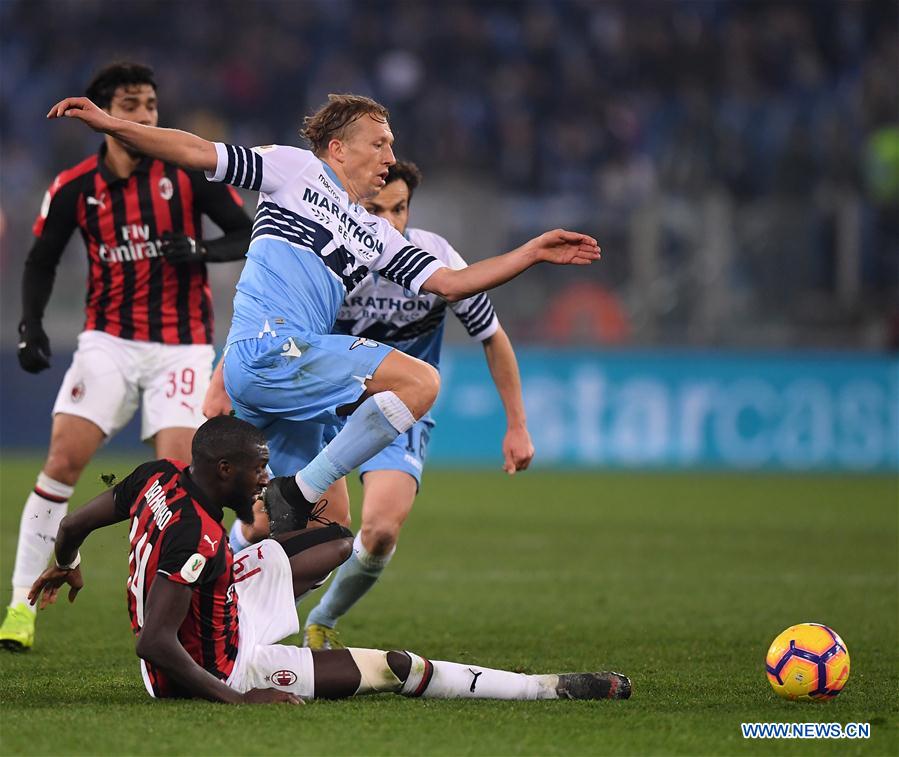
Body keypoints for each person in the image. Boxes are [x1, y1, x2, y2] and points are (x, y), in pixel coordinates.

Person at [45, 92, 601, 548]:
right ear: (338, 147)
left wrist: (531, 252)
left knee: (329, 535)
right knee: (420, 382)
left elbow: (453, 283)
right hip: (270, 350)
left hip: (291, 373)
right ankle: (298, 490)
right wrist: (112, 125)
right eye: (379, 143)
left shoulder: (375, 233)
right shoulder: (296, 170)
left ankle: (226, 608)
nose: (390, 157)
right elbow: (195, 151)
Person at [29, 415, 631, 703]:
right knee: (393, 668)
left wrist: (68, 560)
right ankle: (542, 689)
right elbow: (154, 643)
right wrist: (240, 699)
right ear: (224, 470)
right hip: (221, 667)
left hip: (223, 600)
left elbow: (74, 523)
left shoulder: (157, 475)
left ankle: (264, 584)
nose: (264, 478)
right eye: (258, 470)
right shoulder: (198, 539)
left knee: (338, 540)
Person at [216, 161, 535, 649]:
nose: (389, 221)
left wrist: (517, 424)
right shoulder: (338, 254)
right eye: (376, 209)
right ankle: (223, 595)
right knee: (270, 522)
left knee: (381, 529)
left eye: (399, 209)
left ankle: (320, 622)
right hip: (326, 402)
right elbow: (275, 320)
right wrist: (222, 376)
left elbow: (492, 335)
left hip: (399, 410)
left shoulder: (435, 257)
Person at [0, 62, 252, 652]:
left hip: (181, 345)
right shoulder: (74, 187)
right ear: (102, 115)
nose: (145, 115)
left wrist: (199, 248)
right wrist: (30, 325)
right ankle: (20, 607)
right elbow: (41, 259)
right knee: (63, 460)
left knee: (182, 478)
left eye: (151, 106)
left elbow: (245, 233)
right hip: (108, 339)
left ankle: (174, 623)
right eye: (132, 105)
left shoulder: (186, 172)